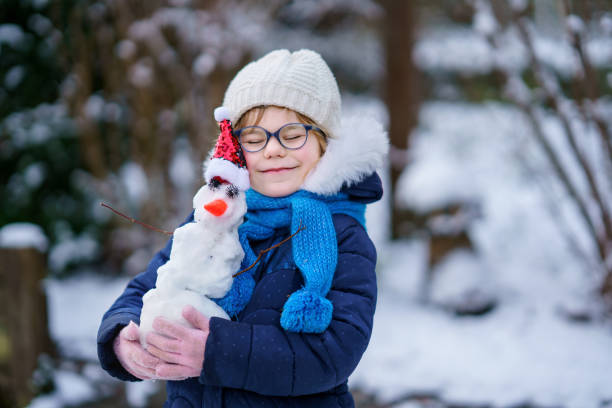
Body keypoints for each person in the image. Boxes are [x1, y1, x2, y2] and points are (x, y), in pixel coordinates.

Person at [97, 48, 388, 408]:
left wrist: (215, 352)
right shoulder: (216, 217)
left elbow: (333, 352)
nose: (272, 150)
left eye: (292, 133)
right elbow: (148, 286)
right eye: (253, 138)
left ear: (323, 142)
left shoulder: (344, 237)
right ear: (235, 148)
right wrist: (121, 337)